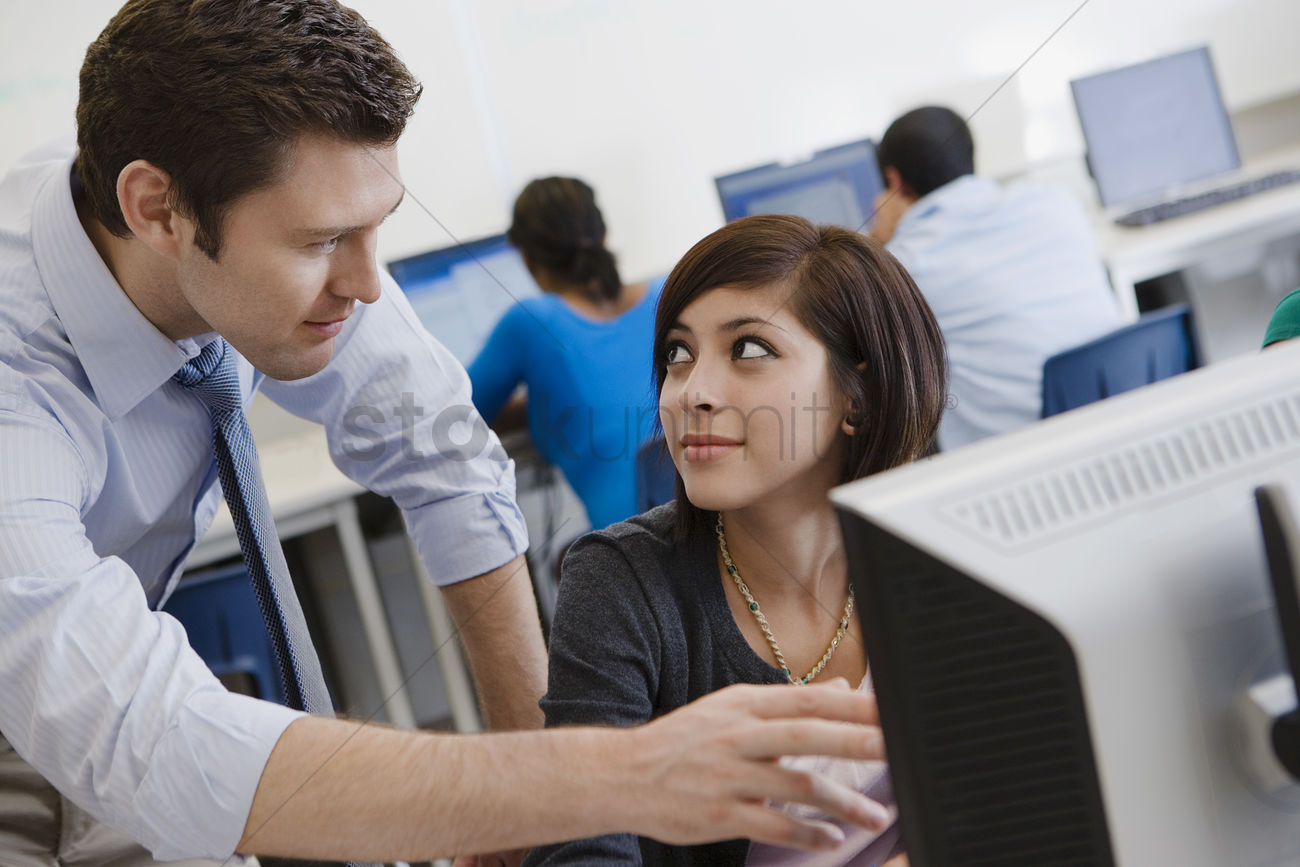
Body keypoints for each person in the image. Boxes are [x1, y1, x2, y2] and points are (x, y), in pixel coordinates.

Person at [0, 2, 896, 865]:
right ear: (157, 211)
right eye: (322, 242)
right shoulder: (18, 380)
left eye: (376, 229)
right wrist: (594, 777)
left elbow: (447, 459)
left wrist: (530, 792)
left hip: (123, 698)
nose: (368, 288)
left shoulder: (210, 219)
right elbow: (150, 739)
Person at [525, 214, 947, 866]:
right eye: (676, 354)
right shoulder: (620, 582)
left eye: (749, 350)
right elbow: (581, 851)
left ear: (856, 396)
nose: (691, 392)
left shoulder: (940, 555)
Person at [869, 105, 1124, 451]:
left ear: (894, 181)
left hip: (1021, 457)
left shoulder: (906, 264)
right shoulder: (1057, 202)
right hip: (1122, 418)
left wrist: (879, 244)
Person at [469, 176, 665, 531]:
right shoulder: (670, 291)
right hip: (727, 528)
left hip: (637, 551)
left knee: (565, 561)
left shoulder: (529, 321)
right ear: (604, 236)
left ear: (527, 259)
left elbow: (458, 410)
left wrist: (535, 409)